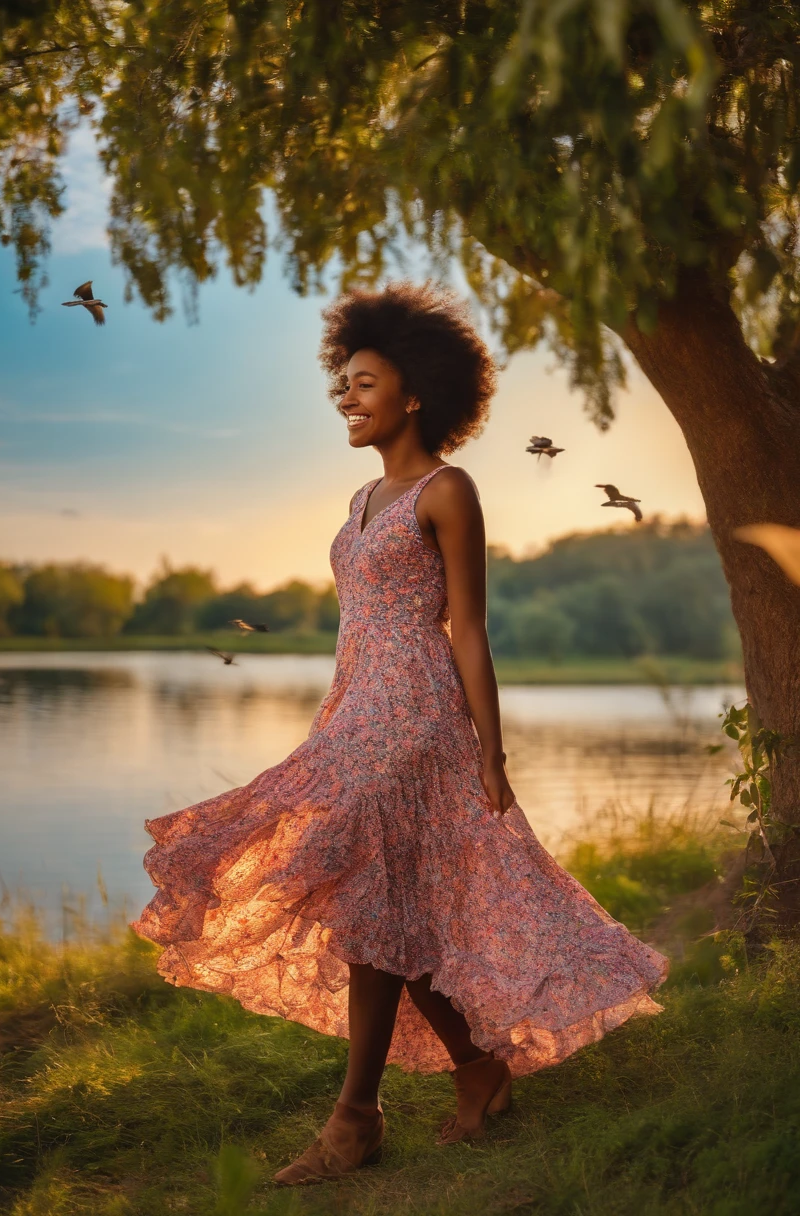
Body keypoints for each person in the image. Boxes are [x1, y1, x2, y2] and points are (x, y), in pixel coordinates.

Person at [132, 281, 667, 1187]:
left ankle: (353, 1119)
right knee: (388, 909)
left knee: (370, 903)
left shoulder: (448, 490)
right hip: (355, 712)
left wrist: (490, 754)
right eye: (340, 383)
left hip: (415, 722)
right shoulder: (360, 501)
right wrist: (337, 712)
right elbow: (359, 625)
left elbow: (467, 628)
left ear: (415, 393)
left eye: (364, 381)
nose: (345, 396)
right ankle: (474, 1068)